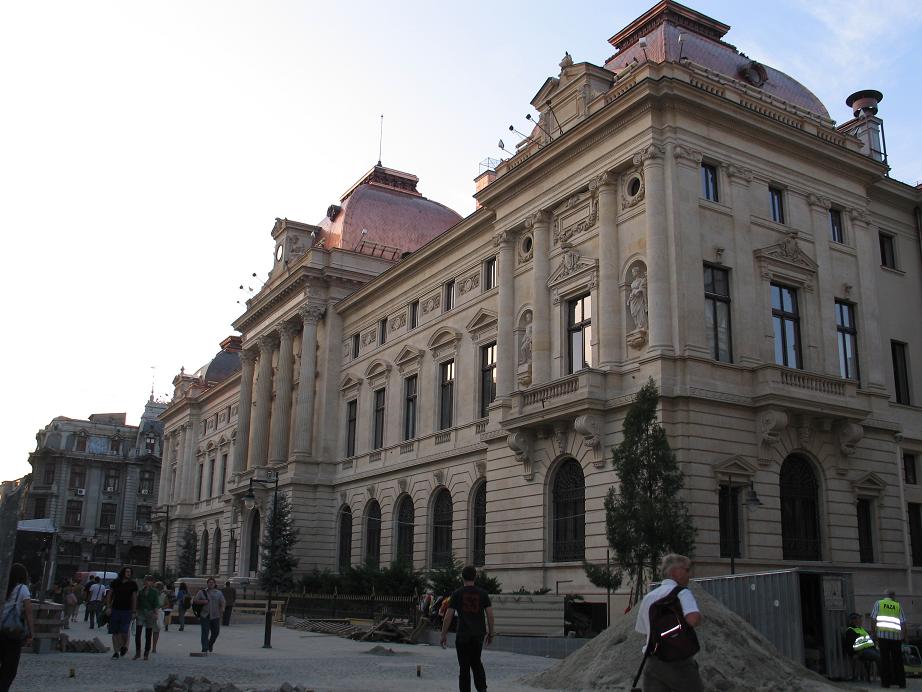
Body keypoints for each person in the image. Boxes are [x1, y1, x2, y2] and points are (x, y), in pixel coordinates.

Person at [635, 554, 703, 692]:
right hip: (679, 662)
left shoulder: (649, 597)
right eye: (687, 570)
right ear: (675, 572)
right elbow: (693, 620)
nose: (689, 574)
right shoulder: (682, 593)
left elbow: (644, 631)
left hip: (653, 663)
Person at [440, 565, 495, 692]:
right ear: (475, 577)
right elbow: (490, 615)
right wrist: (491, 633)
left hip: (462, 635)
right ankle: (482, 689)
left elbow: (448, 616)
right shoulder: (483, 594)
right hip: (478, 635)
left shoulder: (457, 594)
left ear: (462, 577)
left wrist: (443, 634)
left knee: (464, 667)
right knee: (476, 663)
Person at [1, 563, 35, 692]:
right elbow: (29, 612)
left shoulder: (3, 585)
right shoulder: (22, 588)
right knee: (10, 668)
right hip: (12, 632)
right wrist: (31, 632)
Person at [870, 589, 907, 689]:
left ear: (885, 595)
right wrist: (903, 636)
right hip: (896, 638)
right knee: (898, 660)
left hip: (882, 636)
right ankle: (901, 683)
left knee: (884, 660)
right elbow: (903, 622)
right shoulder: (897, 605)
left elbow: (873, 618)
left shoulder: (879, 603)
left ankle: (886, 683)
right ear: (893, 596)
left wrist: (873, 633)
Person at [105, 566, 138, 659]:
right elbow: (109, 595)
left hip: (127, 610)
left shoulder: (133, 584)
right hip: (115, 609)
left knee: (124, 631)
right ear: (123, 572)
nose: (128, 573)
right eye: (127, 571)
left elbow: (134, 598)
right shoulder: (116, 582)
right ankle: (116, 652)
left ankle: (123, 646)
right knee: (115, 631)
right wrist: (108, 607)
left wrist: (134, 611)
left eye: (130, 572)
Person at [193, 577, 225, 654]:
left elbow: (222, 602)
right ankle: (204, 648)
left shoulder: (219, 593)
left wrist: (222, 609)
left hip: (215, 615)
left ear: (214, 584)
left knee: (216, 632)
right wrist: (203, 601)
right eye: (209, 582)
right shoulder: (201, 592)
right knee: (205, 632)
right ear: (207, 584)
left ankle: (210, 644)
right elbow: (195, 601)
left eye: (212, 582)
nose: (211, 584)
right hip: (205, 615)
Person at [844, 612, 880, 681]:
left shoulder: (861, 629)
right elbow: (851, 645)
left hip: (871, 649)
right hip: (862, 651)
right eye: (859, 619)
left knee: (885, 656)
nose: (861, 620)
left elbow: (867, 640)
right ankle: (885, 678)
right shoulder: (850, 630)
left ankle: (889, 677)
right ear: (854, 620)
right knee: (878, 657)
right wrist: (855, 654)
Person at [133, 575, 159, 660]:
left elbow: (156, 603)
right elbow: (137, 602)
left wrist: (156, 613)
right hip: (141, 612)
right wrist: (135, 612)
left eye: (149, 581)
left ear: (152, 582)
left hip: (150, 613)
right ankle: (138, 652)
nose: (148, 582)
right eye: (146, 580)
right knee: (138, 633)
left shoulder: (154, 592)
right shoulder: (140, 591)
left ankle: (146, 653)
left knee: (148, 634)